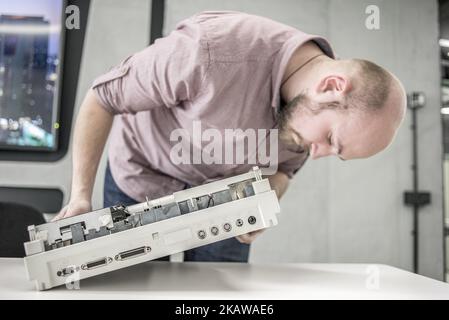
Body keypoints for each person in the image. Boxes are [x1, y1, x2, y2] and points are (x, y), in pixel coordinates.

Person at [53, 11, 406, 263]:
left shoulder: (307, 118)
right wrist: (81, 196)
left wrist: (263, 203)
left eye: (335, 152)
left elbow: (283, 172)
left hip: (222, 207)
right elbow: (102, 98)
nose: (319, 153)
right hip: (141, 176)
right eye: (331, 139)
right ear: (331, 87)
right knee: (136, 291)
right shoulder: (211, 50)